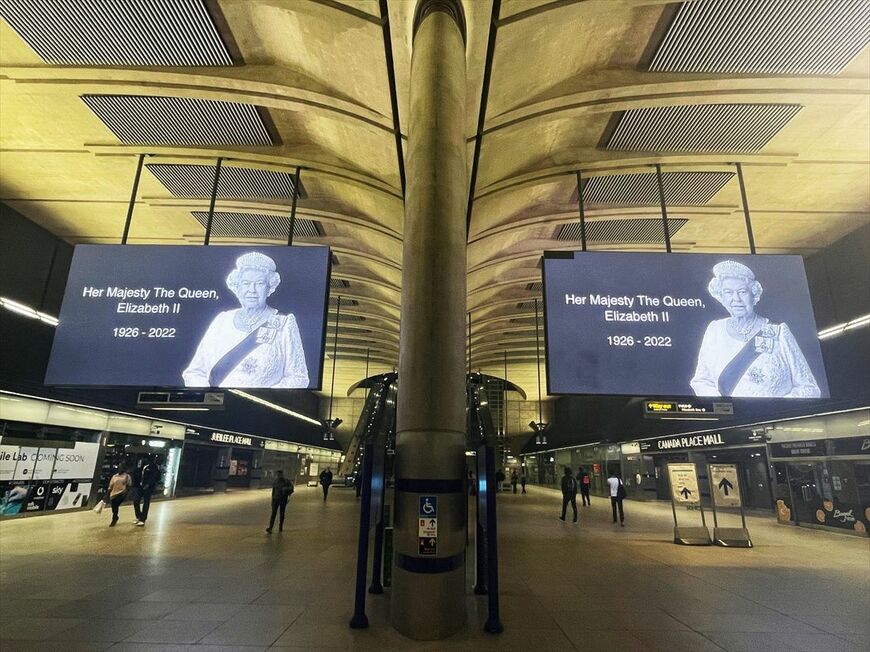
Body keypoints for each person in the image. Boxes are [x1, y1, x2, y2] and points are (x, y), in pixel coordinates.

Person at [690, 260, 821, 398]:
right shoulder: (714, 330)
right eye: (728, 292)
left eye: (742, 291)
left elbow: (809, 388)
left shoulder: (779, 332)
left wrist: (775, 409)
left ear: (754, 295)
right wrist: (725, 406)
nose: (736, 299)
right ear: (721, 297)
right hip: (734, 418)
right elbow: (701, 381)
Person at [182, 251, 309, 388]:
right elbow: (194, 372)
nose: (252, 290)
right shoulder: (222, 320)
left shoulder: (284, 323)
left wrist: (263, 399)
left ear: (270, 288)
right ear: (237, 287)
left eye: (259, 284)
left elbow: (298, 377)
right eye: (246, 283)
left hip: (262, 407)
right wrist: (211, 396)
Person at [133, 456, 160, 526]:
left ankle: (143, 519)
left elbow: (155, 477)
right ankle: (138, 516)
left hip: (148, 488)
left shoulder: (153, 467)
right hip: (140, 486)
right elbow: (137, 475)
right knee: (136, 500)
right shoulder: (141, 467)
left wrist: (148, 484)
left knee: (146, 503)